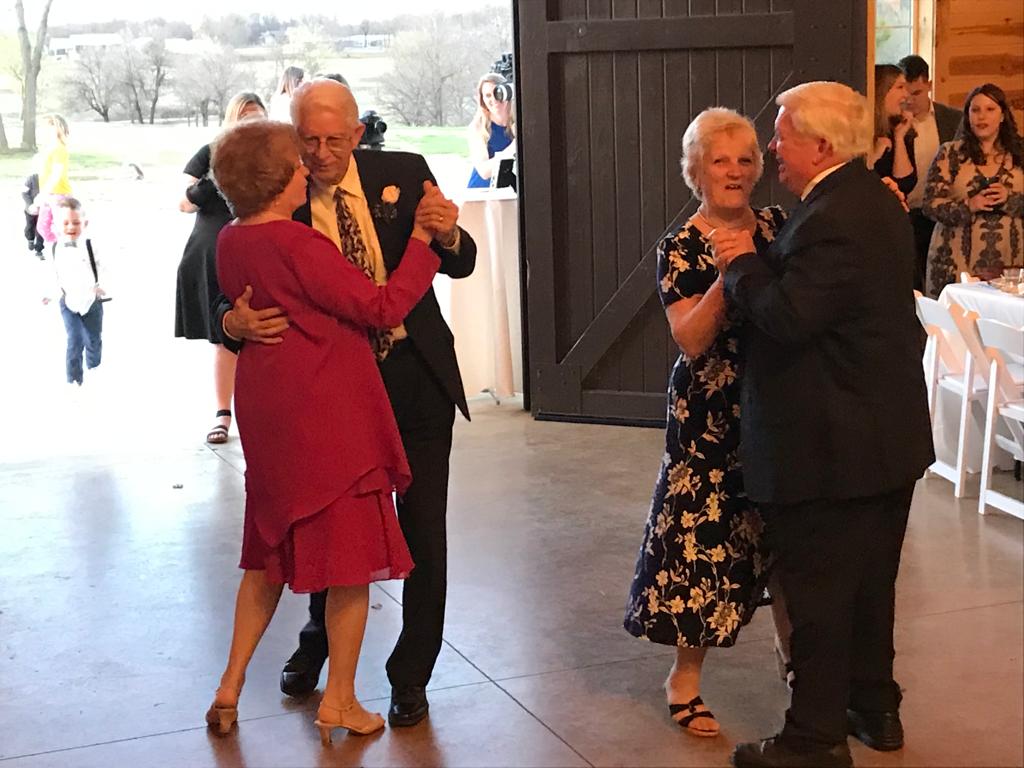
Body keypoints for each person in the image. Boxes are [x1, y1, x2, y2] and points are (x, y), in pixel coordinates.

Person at [215, 79, 476, 728]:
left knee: (424, 534)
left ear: (359, 134)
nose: (322, 154)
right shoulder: (280, 201)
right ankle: (320, 652)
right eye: (309, 140)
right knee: (330, 534)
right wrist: (231, 322)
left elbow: (462, 260)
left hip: (415, 379)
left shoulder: (404, 172)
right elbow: (229, 292)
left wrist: (445, 234)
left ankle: (410, 676)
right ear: (291, 139)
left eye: (336, 140)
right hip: (329, 399)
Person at [714, 81, 933, 768]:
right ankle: (874, 706)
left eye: (781, 133)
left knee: (820, 595)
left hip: (833, 444)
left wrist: (739, 263)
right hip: (882, 438)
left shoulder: (834, 215)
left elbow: (788, 317)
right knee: (869, 587)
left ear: (821, 144)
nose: (771, 145)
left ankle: (813, 738)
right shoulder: (870, 199)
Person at [623, 108, 789, 738]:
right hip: (708, 417)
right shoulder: (680, 245)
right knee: (703, 545)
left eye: (746, 159)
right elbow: (690, 338)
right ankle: (684, 679)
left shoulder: (779, 225)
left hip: (776, 403)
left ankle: (799, 668)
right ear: (697, 171)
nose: (735, 171)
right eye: (721, 160)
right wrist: (730, 274)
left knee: (784, 539)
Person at [175, 92, 266, 444]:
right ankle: (222, 413)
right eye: (244, 118)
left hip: (260, 247)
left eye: (257, 117)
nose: (251, 124)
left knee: (266, 333)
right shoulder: (211, 152)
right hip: (213, 249)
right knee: (224, 335)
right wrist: (220, 171)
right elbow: (184, 203)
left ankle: (263, 411)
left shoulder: (274, 154)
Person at [923, 82, 1023, 296]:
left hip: (1011, 265)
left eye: (990, 109)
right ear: (967, 115)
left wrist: (1010, 199)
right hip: (956, 262)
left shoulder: (1019, 154)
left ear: (1003, 115)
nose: (981, 117)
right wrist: (969, 205)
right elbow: (930, 205)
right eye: (975, 110)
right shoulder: (950, 153)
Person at [898, 54, 962, 290]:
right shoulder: (894, 122)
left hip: (938, 215)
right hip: (906, 211)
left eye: (916, 93)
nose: (910, 100)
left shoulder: (953, 120)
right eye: (905, 93)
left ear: (929, 85)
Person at [41, 197, 105, 386]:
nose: (70, 227)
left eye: (76, 222)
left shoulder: (91, 245)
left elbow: (104, 268)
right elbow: (54, 274)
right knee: (74, 340)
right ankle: (74, 380)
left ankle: (94, 366)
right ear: (57, 225)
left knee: (93, 339)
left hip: (91, 301)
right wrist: (49, 294)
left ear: (85, 223)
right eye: (65, 223)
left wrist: (102, 285)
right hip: (68, 302)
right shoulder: (55, 248)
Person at [869, 65, 916, 196]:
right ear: (882, 91)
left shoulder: (899, 127)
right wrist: (874, 156)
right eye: (900, 87)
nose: (906, 95)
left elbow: (906, 183)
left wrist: (899, 138)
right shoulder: (861, 130)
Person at [467, 73, 516, 188]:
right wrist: (515, 146)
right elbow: (484, 171)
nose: (493, 99)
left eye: (497, 93)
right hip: (482, 192)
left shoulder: (520, 123)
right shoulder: (477, 127)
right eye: (488, 96)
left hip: (512, 191)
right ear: (482, 100)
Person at [34, 115, 72, 245]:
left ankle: (66, 247)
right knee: (42, 227)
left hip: (59, 195)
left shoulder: (60, 149)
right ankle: (60, 246)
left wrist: (42, 194)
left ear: (57, 128)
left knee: (62, 227)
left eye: (48, 126)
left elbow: (56, 174)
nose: (43, 130)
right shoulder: (48, 149)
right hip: (48, 194)